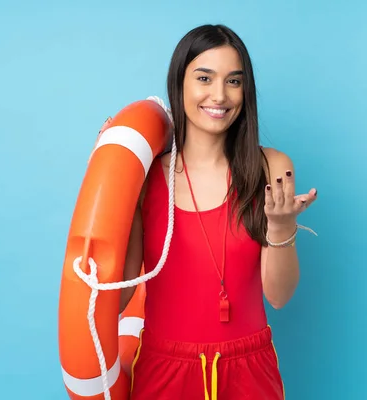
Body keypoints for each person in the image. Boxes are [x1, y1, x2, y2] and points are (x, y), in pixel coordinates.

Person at [92, 24, 317, 400]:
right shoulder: (147, 176)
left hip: (249, 368)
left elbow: (278, 296)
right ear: (179, 83)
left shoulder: (271, 168)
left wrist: (280, 226)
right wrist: (112, 178)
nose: (219, 95)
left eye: (233, 81)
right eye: (204, 78)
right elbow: (123, 291)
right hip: (164, 369)